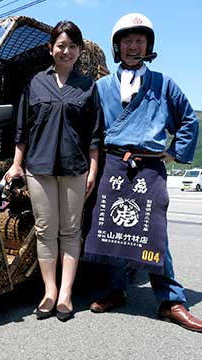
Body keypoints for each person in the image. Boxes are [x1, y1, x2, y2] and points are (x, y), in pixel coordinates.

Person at [83, 12, 202, 332]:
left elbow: (189, 119)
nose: (133, 46)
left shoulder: (164, 83)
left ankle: (170, 300)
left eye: (140, 41)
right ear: (117, 47)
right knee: (113, 229)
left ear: (148, 45)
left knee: (154, 231)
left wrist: (175, 151)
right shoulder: (102, 86)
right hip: (113, 163)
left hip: (150, 165)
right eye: (127, 41)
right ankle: (116, 290)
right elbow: (91, 129)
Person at [4, 20, 103, 322]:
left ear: (78, 51)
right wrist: (16, 163)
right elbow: (23, 129)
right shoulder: (35, 83)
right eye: (61, 45)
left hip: (75, 168)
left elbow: (95, 134)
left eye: (72, 46)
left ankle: (66, 295)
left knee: (71, 231)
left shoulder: (87, 87)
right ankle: (49, 291)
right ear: (51, 49)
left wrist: (93, 170)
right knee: (46, 232)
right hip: (40, 167)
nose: (66, 51)